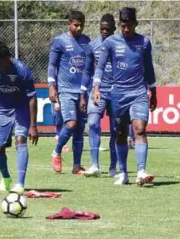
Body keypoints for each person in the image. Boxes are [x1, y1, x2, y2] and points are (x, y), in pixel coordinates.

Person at [92, 7, 156, 185]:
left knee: (140, 129)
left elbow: (149, 68)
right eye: (123, 26)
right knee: (120, 132)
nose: (126, 29)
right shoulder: (111, 42)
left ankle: (141, 171)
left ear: (136, 24)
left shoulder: (144, 42)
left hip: (139, 93)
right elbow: (100, 66)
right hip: (118, 94)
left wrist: (154, 91)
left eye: (129, 25)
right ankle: (124, 172)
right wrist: (96, 87)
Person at [0, 41, 39, 195]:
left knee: (21, 140)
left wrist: (33, 125)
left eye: (4, 63)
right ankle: (6, 177)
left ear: (9, 58)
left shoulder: (22, 70)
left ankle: (20, 183)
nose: (2, 66)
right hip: (2, 109)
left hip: (21, 108)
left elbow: (32, 98)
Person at [47, 10, 90, 175]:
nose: (79, 28)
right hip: (65, 90)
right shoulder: (59, 41)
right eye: (76, 25)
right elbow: (52, 65)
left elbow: (88, 67)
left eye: (81, 25)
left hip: (82, 91)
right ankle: (56, 152)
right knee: (70, 123)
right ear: (69, 24)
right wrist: (51, 85)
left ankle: (76, 166)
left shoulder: (86, 42)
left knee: (79, 129)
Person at [82, 14, 118, 178]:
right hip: (98, 92)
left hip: (118, 92)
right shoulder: (92, 46)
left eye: (108, 29)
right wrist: (83, 93)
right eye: (102, 29)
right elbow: (88, 70)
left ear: (114, 29)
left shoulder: (121, 44)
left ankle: (113, 166)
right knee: (94, 123)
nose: (104, 32)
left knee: (116, 130)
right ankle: (95, 165)